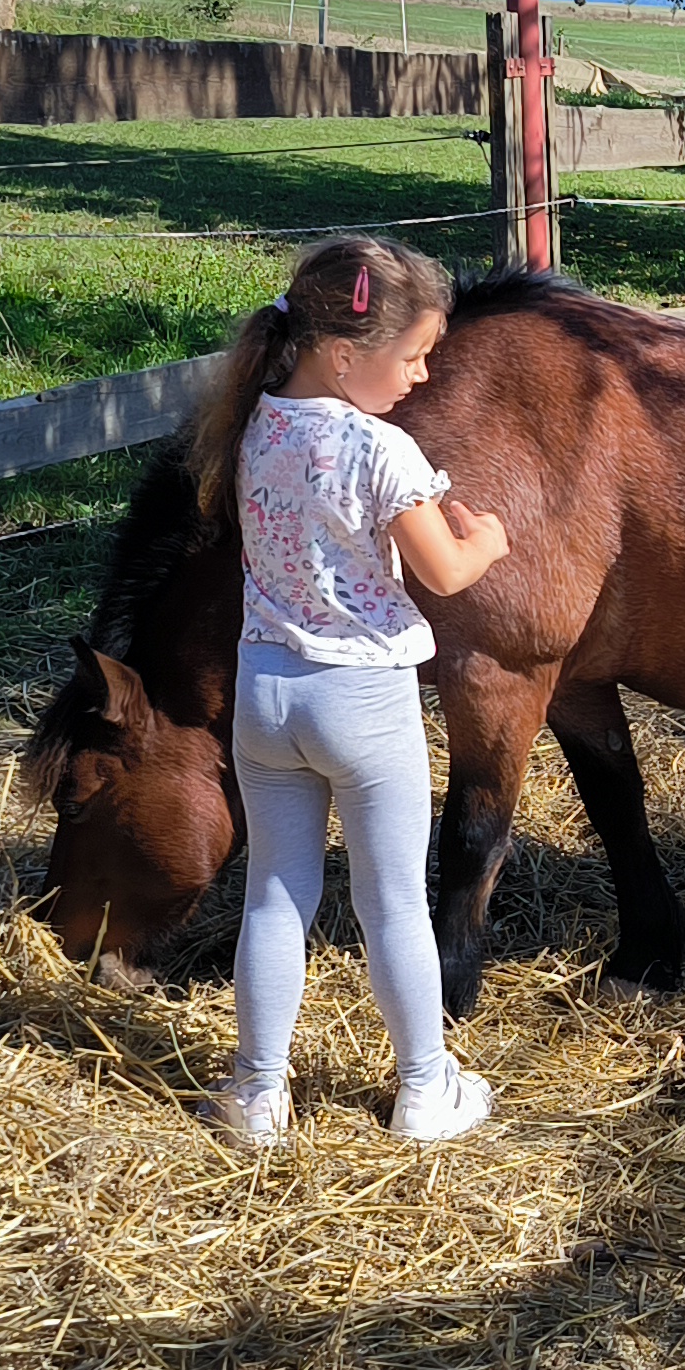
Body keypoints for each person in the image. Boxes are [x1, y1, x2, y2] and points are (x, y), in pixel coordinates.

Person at [183, 237, 510, 1150]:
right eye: (410, 357)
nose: (420, 374)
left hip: (266, 693)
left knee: (274, 895)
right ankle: (422, 1088)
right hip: (361, 699)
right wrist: (487, 543)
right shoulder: (380, 448)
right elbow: (444, 573)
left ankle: (256, 1093)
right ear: (343, 353)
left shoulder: (254, 427)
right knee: (394, 901)